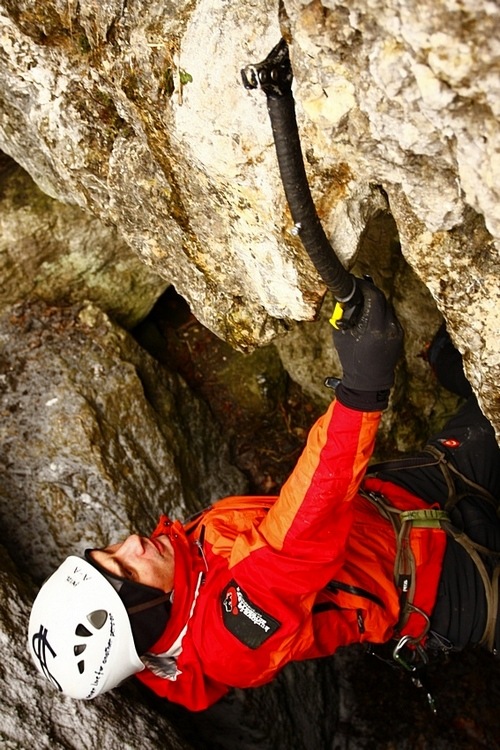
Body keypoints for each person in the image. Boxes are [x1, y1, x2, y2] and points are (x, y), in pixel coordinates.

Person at [28, 279, 500, 711]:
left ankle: (446, 360)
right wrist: (362, 390)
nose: (130, 542)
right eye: (128, 570)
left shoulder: (181, 567)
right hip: (446, 588)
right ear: (145, 623)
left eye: (108, 553)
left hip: (399, 501)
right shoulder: (226, 645)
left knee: (484, 382)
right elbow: (293, 541)